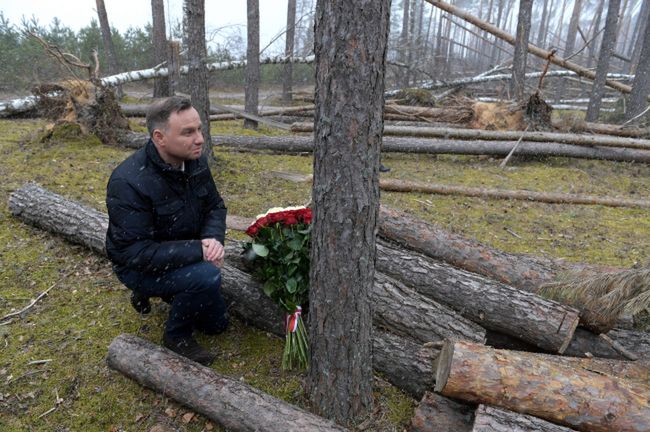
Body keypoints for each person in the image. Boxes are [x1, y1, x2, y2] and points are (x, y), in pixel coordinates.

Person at [106, 96, 228, 366]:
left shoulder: (194, 161)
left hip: (180, 248)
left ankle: (172, 291)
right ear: (160, 137)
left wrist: (212, 239)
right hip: (139, 267)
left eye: (199, 129)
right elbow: (135, 253)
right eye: (188, 132)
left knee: (217, 325)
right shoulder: (128, 181)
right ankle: (177, 336)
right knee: (207, 276)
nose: (199, 139)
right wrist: (199, 250)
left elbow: (215, 207)